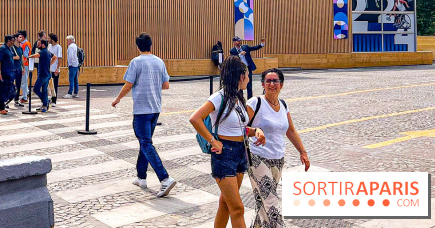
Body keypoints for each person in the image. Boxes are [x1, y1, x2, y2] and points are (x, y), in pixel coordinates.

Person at [189, 56, 266, 228]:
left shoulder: (238, 98)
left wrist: (256, 131)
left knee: (226, 203)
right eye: (247, 75)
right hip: (225, 155)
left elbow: (239, 129)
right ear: (240, 76)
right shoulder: (219, 97)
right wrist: (212, 141)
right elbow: (195, 119)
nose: (248, 78)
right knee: (237, 208)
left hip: (240, 153)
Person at [111, 33, 176, 196]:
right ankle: (141, 177)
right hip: (155, 109)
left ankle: (164, 178)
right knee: (145, 143)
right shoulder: (159, 61)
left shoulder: (136, 62)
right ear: (151, 45)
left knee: (146, 143)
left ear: (137, 46)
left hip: (141, 110)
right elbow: (166, 85)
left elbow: (128, 84)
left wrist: (117, 99)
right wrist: (152, 87)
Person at [246, 68, 309, 228]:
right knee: (271, 202)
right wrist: (255, 132)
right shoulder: (255, 103)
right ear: (262, 84)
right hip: (257, 158)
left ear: (281, 85)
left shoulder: (283, 105)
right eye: (268, 81)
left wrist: (302, 151)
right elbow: (238, 127)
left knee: (263, 203)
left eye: (275, 81)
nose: (272, 84)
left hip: (278, 159)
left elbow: (290, 130)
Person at [29, 39, 56, 112]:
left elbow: (36, 55)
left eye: (38, 44)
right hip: (47, 74)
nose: (37, 45)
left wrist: (28, 57)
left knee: (36, 89)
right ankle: (44, 106)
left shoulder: (43, 52)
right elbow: (55, 57)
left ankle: (45, 102)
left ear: (43, 45)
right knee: (44, 90)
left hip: (42, 74)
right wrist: (50, 64)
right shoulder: (48, 52)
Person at [0, 35, 18, 115]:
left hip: (9, 73)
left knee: (9, 90)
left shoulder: (10, 49)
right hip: (3, 73)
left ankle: (1, 106)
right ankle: (2, 108)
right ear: (8, 41)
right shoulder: (2, 49)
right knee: (3, 90)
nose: (13, 42)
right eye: (12, 40)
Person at [47, 34, 63, 105]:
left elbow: (59, 58)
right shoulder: (49, 46)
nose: (48, 40)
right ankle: (48, 98)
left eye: (49, 38)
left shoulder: (58, 47)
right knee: (48, 85)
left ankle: (54, 100)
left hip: (54, 69)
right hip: (49, 68)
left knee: (54, 85)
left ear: (52, 39)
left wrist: (57, 68)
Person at [18, 31, 32, 103]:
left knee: (24, 81)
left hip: (25, 65)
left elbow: (25, 55)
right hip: (23, 64)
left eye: (20, 36)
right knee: (23, 81)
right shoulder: (22, 44)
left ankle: (25, 97)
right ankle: (27, 92)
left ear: (23, 37)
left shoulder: (26, 44)